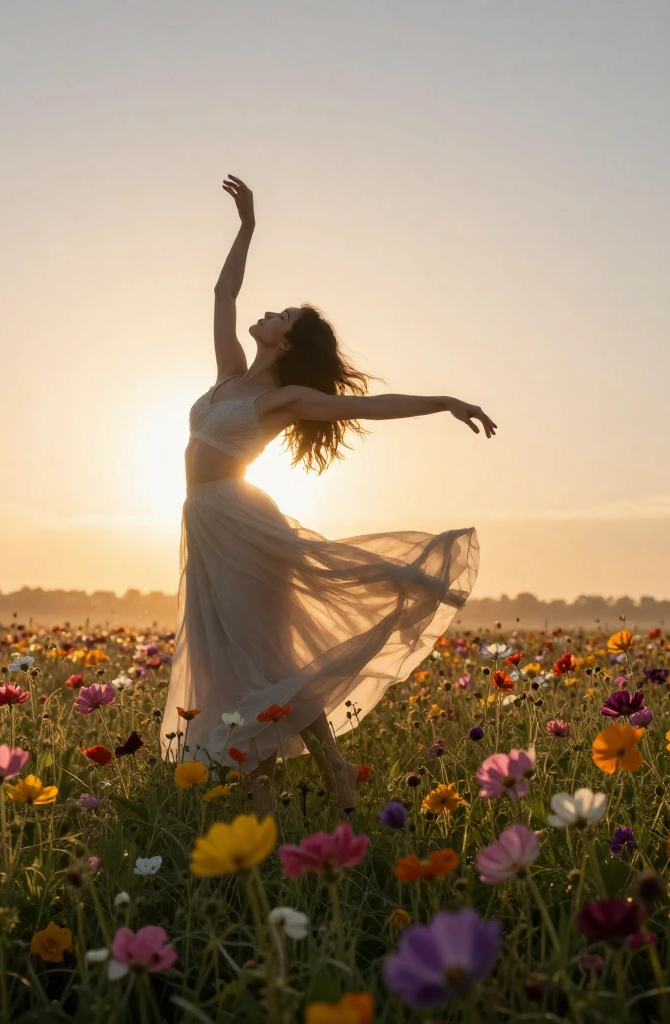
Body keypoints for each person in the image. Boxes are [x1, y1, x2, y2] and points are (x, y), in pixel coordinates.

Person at [160, 174, 496, 816]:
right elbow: (223, 292)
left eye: (282, 316)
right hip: (204, 522)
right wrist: (247, 227)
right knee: (231, 655)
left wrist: (444, 402)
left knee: (261, 655)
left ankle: (302, 781)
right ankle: (299, 780)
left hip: (240, 520)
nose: (270, 313)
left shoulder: (283, 399)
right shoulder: (229, 374)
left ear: (285, 342)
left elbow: (367, 405)